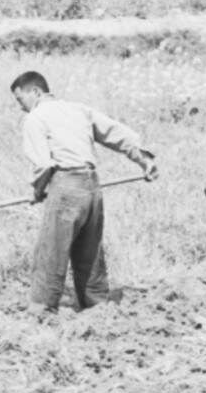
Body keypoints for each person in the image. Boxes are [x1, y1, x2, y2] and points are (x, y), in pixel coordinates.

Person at [11, 70, 158, 319]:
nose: (21, 108)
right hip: (93, 186)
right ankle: (98, 308)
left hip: (66, 184)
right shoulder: (79, 109)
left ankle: (41, 311)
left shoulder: (36, 117)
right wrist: (144, 160)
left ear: (35, 92)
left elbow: (43, 165)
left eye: (20, 100)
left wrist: (37, 191)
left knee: (52, 251)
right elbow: (117, 133)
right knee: (89, 252)